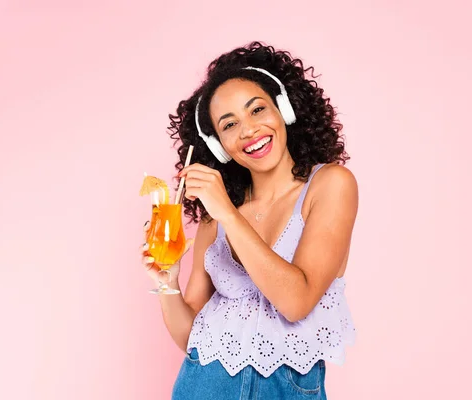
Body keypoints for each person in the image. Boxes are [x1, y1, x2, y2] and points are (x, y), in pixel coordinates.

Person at [142, 41, 358, 399]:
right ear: (217, 146)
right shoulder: (215, 216)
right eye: (229, 125)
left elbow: (297, 301)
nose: (248, 130)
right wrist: (167, 282)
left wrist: (226, 210)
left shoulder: (331, 185)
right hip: (203, 386)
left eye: (257, 109)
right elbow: (191, 337)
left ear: (284, 109)